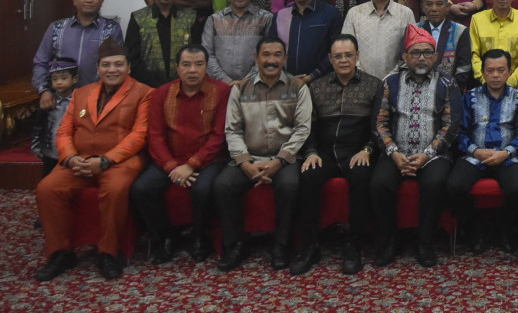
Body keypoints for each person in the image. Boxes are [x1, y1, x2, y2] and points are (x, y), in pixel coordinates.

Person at [34, 39, 153, 281]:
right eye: (106, 65)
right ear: (98, 68)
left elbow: (139, 134)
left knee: (116, 189)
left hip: (121, 161)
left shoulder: (144, 93)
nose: (112, 70)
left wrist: (107, 160)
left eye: (119, 64)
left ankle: (108, 253)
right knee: (47, 188)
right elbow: (65, 131)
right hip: (79, 159)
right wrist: (69, 158)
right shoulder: (81, 93)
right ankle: (61, 252)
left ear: (129, 67)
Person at [214, 36, 312, 272]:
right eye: (266, 55)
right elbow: (233, 129)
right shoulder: (240, 89)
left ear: (285, 58)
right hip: (250, 157)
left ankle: (282, 245)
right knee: (222, 185)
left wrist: (279, 161)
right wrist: (245, 162)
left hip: (285, 158)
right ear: (256, 58)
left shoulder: (298, 87)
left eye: (277, 55)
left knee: (290, 185)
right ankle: (235, 245)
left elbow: (302, 129)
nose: (271, 60)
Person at [129, 44, 231, 264]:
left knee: (203, 189)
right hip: (170, 158)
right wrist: (171, 167)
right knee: (141, 188)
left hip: (208, 160)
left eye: (198, 64)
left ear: (206, 67)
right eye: (186, 65)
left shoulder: (222, 91)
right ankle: (165, 236)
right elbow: (155, 136)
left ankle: (200, 238)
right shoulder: (161, 93)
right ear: (177, 68)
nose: (192, 70)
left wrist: (192, 164)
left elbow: (218, 137)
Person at [370, 25, 461, 268]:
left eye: (427, 52)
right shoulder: (390, 83)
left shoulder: (447, 83)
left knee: (434, 183)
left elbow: (451, 125)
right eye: (416, 52)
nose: (422, 57)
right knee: (379, 183)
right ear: (405, 57)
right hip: (396, 153)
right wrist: (394, 153)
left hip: (433, 155)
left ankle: (425, 242)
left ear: (435, 56)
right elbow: (379, 123)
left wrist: (427, 154)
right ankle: (389, 240)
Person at [292, 34, 381, 275]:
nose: (343, 60)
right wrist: (310, 152)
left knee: (362, 178)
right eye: (338, 56)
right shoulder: (316, 86)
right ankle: (310, 246)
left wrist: (368, 150)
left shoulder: (374, 85)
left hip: (357, 151)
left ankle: (353, 245)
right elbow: (306, 125)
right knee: (308, 176)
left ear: (357, 57)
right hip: (324, 152)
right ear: (330, 59)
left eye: (348, 55)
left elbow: (380, 126)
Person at [447, 49, 518, 253]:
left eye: (501, 70)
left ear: (509, 71)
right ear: (482, 72)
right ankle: (476, 229)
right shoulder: (470, 97)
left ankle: (505, 229)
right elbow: (460, 132)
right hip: (475, 156)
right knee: (453, 187)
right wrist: (476, 151)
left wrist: (506, 152)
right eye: (490, 70)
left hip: (507, 156)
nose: (495, 75)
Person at [32, 0, 124, 105]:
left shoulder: (111, 29)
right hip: (60, 101)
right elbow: (41, 62)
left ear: (102, 0)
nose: (89, 0)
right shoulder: (56, 28)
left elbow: (117, 67)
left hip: (97, 100)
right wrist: (44, 91)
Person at [125, 0, 200, 88]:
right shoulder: (138, 18)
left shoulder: (191, 17)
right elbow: (132, 60)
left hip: (183, 88)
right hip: (146, 89)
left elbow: (197, 55)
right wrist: (157, 85)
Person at [267, 0, 343, 84]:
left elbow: (335, 51)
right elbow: (272, 51)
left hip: (322, 83)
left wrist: (313, 76)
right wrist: (285, 77)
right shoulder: (280, 16)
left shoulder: (330, 14)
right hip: (285, 83)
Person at [342, 0, 415, 80]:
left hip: (395, 81)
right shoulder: (354, 13)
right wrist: (363, 77)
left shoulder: (406, 14)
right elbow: (346, 49)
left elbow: (411, 51)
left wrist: (391, 77)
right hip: (359, 81)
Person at [202, 0, 273, 84]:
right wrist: (225, 80)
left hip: (256, 85)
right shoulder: (214, 20)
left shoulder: (266, 18)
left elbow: (269, 53)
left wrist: (248, 80)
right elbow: (206, 54)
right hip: (220, 86)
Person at [417, 0, 473, 89]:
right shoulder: (414, 30)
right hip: (418, 91)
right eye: (429, 4)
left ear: (447, 7)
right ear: (423, 8)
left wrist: (450, 90)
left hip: (449, 92)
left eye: (439, 4)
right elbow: (405, 63)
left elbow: (464, 68)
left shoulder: (461, 31)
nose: (434, 9)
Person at [31, 57, 77, 175]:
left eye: (63, 78)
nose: (59, 82)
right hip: (50, 151)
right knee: (48, 177)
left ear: (75, 79)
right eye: (54, 79)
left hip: (72, 151)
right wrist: (36, 145)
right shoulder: (49, 101)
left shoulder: (79, 100)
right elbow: (39, 124)